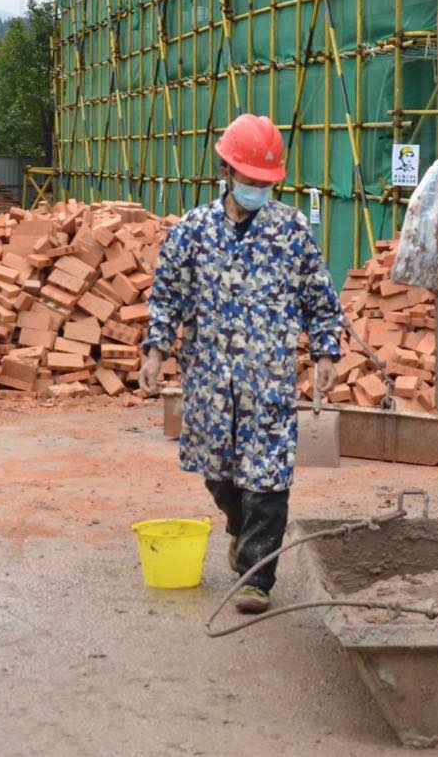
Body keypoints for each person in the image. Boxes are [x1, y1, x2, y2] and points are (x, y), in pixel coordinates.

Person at [138, 113, 343, 614]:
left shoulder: (291, 230)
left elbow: (319, 296)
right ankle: (236, 525)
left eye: (265, 183)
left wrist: (325, 351)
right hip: (209, 379)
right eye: (248, 180)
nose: (256, 189)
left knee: (268, 477)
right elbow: (167, 297)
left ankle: (257, 575)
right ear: (227, 173)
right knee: (219, 474)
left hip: (267, 379)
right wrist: (155, 349)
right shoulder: (192, 231)